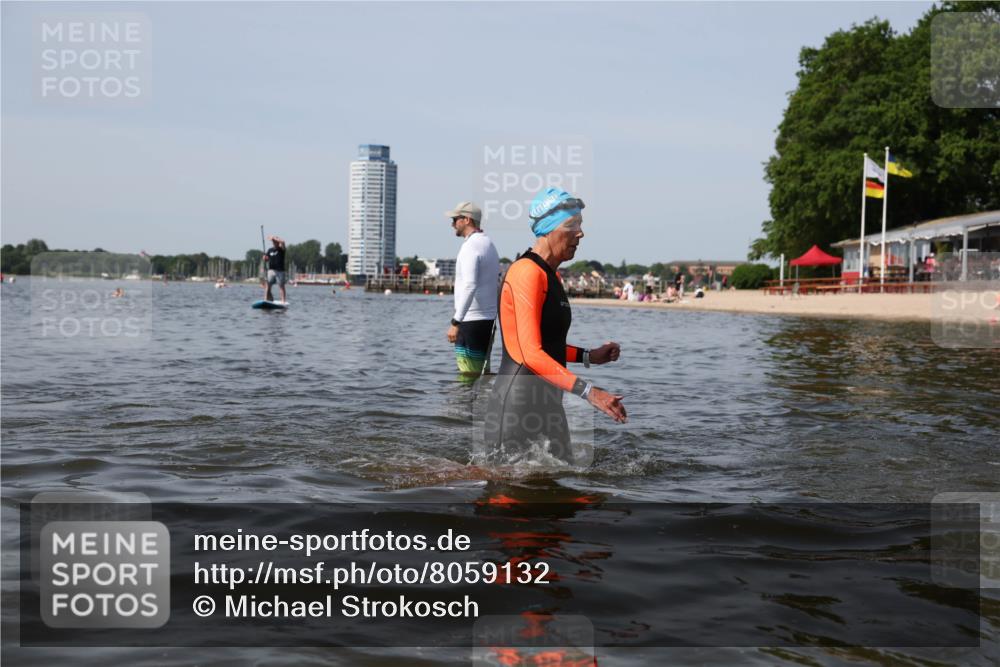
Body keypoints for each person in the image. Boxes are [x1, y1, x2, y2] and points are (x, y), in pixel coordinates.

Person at [483, 187, 626, 464]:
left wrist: (587, 356)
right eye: (571, 226)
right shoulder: (526, 272)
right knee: (507, 495)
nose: (580, 234)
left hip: (549, 401)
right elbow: (529, 353)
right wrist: (590, 392)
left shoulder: (550, 276)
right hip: (518, 402)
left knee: (561, 490)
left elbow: (547, 344)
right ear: (548, 229)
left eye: (580, 226)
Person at [444, 202, 500, 376]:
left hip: (471, 321)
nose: (452, 224)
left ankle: (465, 404)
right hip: (487, 320)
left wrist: (456, 322)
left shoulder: (471, 246)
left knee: (468, 376)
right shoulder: (488, 244)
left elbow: (470, 285)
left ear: (467, 220)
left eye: (455, 219)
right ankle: (481, 404)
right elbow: (496, 283)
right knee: (481, 375)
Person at [262, 235, 287, 302]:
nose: (274, 242)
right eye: (273, 242)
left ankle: (283, 301)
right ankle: (266, 299)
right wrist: (265, 258)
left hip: (280, 271)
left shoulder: (282, 249)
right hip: (271, 270)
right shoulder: (270, 250)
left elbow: (283, 241)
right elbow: (266, 259)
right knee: (268, 286)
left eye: (275, 241)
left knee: (281, 286)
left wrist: (274, 238)